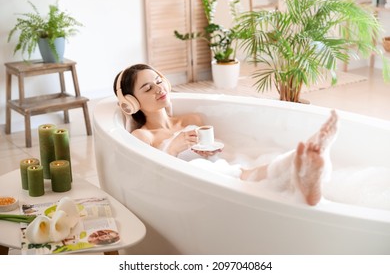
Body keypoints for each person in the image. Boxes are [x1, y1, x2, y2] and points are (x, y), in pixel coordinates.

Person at [113, 64, 338, 206]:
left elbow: (222, 156)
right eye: (147, 88)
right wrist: (172, 147)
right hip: (197, 189)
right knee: (245, 175)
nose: (159, 89)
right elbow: (149, 180)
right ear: (132, 103)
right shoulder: (144, 137)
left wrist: (214, 150)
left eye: (159, 81)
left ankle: (304, 170)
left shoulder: (192, 120)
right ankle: (302, 166)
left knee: (248, 172)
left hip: (224, 170)